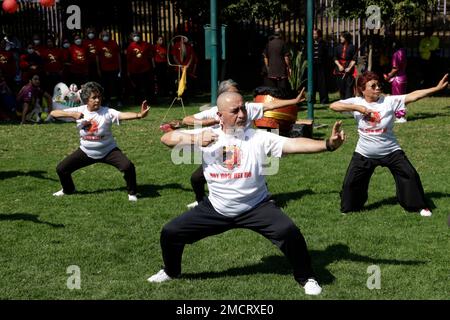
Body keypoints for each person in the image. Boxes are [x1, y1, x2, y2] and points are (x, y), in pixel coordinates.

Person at [148, 91, 345, 296]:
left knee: (289, 232)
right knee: (170, 232)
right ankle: (171, 271)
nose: (242, 114)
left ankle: (306, 277)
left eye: (243, 108)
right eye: (235, 111)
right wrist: (196, 138)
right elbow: (166, 138)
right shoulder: (207, 136)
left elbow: (293, 144)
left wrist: (327, 145)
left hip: (256, 206)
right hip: (217, 207)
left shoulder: (257, 137)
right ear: (219, 115)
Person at [330, 72, 448, 216]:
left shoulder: (389, 101)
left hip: (391, 151)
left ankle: (418, 206)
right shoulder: (357, 102)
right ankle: (351, 207)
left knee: (410, 175)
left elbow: (414, 95)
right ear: (362, 89)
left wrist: (436, 89)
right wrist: (358, 108)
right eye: (373, 86)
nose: (377, 88)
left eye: (378, 85)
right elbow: (333, 105)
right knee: (350, 184)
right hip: (364, 153)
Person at [181, 79, 306, 209]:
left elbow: (269, 105)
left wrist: (294, 101)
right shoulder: (215, 112)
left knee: (252, 174)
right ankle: (201, 201)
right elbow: (186, 119)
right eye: (231, 95)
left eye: (237, 94)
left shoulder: (247, 108)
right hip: (221, 153)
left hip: (246, 149)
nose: (236, 99)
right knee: (196, 178)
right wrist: (211, 121)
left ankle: (263, 199)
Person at [50, 81, 150, 201]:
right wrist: (72, 114)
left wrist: (139, 115)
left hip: (108, 150)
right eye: (94, 98)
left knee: (128, 166)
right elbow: (53, 113)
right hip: (86, 151)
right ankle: (68, 189)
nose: (97, 100)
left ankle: (132, 193)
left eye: (99, 97)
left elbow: (122, 115)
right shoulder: (79, 110)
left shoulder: (107, 112)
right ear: (87, 99)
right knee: (61, 169)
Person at [126, 31, 155, 104]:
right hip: (135, 70)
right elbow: (128, 59)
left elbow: (152, 51)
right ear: (132, 37)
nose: (136, 37)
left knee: (147, 85)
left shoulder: (145, 44)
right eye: (135, 36)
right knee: (137, 86)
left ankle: (149, 100)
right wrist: (128, 70)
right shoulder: (130, 46)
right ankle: (137, 101)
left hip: (145, 69)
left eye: (137, 35)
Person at [384, 38, 407, 123]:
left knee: (397, 98)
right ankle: (400, 115)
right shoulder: (403, 52)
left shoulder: (396, 54)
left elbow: (395, 68)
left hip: (397, 79)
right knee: (402, 98)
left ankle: (400, 116)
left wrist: (388, 76)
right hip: (403, 77)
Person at [97, 30, 122, 107]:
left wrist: (120, 68)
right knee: (106, 86)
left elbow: (118, 56)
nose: (105, 37)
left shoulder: (114, 43)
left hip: (115, 68)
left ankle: (119, 100)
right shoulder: (99, 44)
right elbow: (97, 57)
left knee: (117, 85)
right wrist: (98, 69)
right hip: (104, 69)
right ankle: (107, 101)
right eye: (104, 35)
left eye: (107, 35)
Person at [262, 28, 291, 92]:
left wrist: (268, 67)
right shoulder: (283, 43)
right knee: (282, 90)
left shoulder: (269, 44)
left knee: (272, 90)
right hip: (281, 70)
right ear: (280, 34)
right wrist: (288, 67)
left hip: (271, 70)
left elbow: (265, 57)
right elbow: (286, 58)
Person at [333, 31, 357, 100]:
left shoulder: (352, 47)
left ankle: (349, 101)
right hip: (339, 69)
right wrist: (339, 66)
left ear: (346, 38)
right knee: (341, 87)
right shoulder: (337, 47)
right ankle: (342, 101)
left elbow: (354, 59)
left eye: (342, 37)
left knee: (349, 87)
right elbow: (335, 57)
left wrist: (349, 68)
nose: (340, 38)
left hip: (349, 69)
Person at [312, 29, 329, 104]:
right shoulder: (310, 43)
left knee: (322, 83)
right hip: (312, 65)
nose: (314, 35)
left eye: (315, 34)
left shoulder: (323, 43)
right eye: (313, 34)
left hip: (321, 65)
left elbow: (326, 54)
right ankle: (312, 99)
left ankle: (324, 100)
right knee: (312, 82)